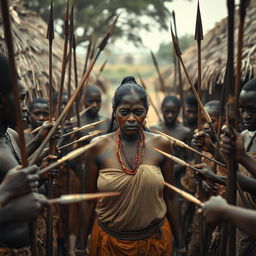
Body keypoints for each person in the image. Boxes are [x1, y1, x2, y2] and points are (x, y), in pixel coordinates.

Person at [82, 76, 185, 256]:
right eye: (124, 112)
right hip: (108, 245)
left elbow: (171, 198)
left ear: (147, 111)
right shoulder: (97, 147)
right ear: (114, 112)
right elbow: (89, 201)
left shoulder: (162, 145)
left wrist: (181, 245)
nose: (131, 118)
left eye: (138, 112)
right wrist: (80, 247)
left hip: (154, 244)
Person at [0, 53, 47, 255]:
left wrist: (39, 142)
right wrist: (8, 203)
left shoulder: (10, 135)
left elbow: (18, 169)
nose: (26, 108)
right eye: (20, 99)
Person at [150, 95, 192, 187]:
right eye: (167, 112)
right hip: (156, 176)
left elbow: (189, 159)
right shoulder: (153, 130)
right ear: (162, 110)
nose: (170, 115)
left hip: (177, 177)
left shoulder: (185, 132)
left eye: (173, 112)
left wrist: (175, 169)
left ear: (179, 111)